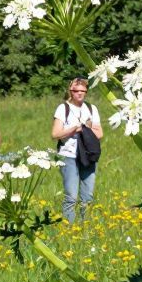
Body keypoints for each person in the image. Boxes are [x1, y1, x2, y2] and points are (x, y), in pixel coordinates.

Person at [52, 77, 102, 224]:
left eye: (83, 91)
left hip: (88, 154)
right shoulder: (63, 108)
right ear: (70, 91)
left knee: (87, 196)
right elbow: (55, 134)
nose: (79, 93)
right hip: (68, 155)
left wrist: (86, 129)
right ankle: (69, 229)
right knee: (71, 196)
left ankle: (85, 227)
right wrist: (75, 128)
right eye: (76, 91)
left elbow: (99, 133)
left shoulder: (91, 108)